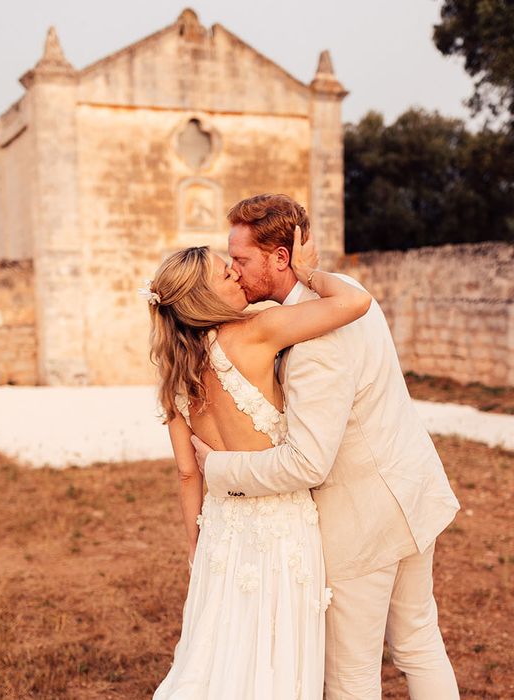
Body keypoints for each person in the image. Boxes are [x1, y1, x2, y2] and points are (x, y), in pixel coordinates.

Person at [192, 193, 462, 700]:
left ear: (280, 257)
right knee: (419, 642)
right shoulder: (345, 292)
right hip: (410, 491)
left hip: (363, 520)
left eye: (242, 259)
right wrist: (310, 275)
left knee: (351, 675)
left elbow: (308, 462)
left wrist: (220, 470)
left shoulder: (314, 340)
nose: (233, 271)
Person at [146, 218, 373, 699]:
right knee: (275, 653)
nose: (235, 274)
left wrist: (197, 545)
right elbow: (355, 302)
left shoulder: (174, 374)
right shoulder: (255, 332)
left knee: (220, 648)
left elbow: (189, 472)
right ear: (202, 297)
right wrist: (306, 271)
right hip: (282, 525)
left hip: (222, 532)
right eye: (224, 273)